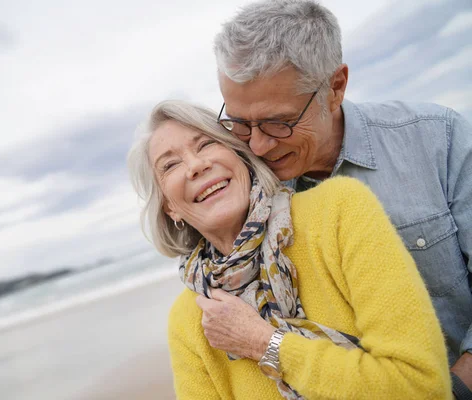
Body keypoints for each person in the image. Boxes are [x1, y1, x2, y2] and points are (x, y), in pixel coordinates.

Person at [210, 0, 472, 396]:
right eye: (240, 123)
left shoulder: (439, 140)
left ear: (335, 87)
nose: (258, 146)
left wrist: (455, 388)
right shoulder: (245, 194)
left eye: (279, 124)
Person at [127, 99, 451, 399]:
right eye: (170, 165)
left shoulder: (339, 211)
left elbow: (421, 385)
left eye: (206, 143)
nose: (195, 166)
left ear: (239, 155)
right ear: (170, 207)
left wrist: (263, 343)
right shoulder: (189, 320)